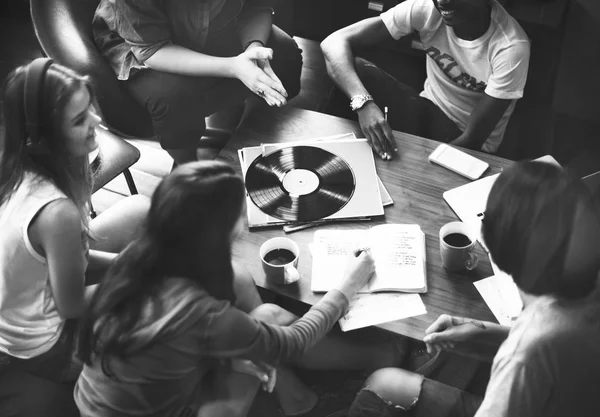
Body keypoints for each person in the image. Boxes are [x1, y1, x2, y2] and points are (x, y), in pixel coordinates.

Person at [74, 160, 408, 417]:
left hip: (98, 402)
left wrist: (233, 352)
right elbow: (292, 342)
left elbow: (164, 345)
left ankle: (295, 396)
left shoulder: (140, 256)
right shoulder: (200, 314)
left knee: (253, 312)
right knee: (269, 317)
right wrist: (348, 282)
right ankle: (380, 357)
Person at [345, 160, 600, 417]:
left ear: (498, 255)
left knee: (383, 384)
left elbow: (540, 345)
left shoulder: (524, 355)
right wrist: (480, 332)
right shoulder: (583, 292)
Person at [0, 60, 149, 410]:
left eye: (89, 108)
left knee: (140, 207)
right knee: (155, 306)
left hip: (31, 292)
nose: (96, 122)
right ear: (44, 137)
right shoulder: (56, 213)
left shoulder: (20, 161)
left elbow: (76, 260)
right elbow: (71, 305)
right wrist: (141, 276)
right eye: (79, 120)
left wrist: (131, 263)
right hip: (47, 346)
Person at [93, 0, 303, 165]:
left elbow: (257, 6)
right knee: (173, 98)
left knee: (285, 54)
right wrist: (233, 67)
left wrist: (253, 48)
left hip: (217, 24)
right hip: (142, 43)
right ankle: (188, 167)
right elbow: (151, 50)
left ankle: (226, 132)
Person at [321, 0, 530, 160]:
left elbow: (472, 140)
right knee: (357, 72)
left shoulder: (511, 48)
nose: (443, 0)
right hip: (426, 110)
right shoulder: (427, 8)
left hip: (465, 140)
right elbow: (333, 42)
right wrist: (364, 104)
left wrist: (413, 169)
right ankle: (323, 158)